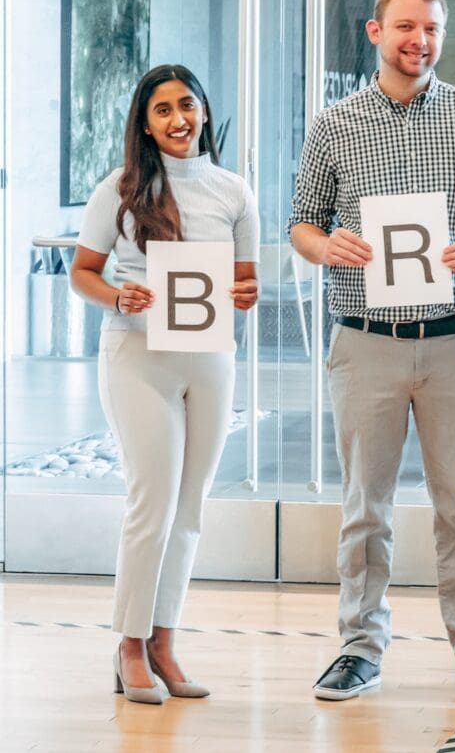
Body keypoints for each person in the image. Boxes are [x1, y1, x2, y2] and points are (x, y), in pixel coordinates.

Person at [290, 0, 455, 703]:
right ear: (375, 32)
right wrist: (325, 247)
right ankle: (360, 646)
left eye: (430, 30)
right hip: (365, 340)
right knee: (366, 506)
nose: (419, 41)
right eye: (405, 28)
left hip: (454, 339)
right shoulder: (334, 125)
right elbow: (301, 221)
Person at [70, 64, 260, 705]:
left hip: (209, 359)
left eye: (188, 105)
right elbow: (83, 274)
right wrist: (119, 296)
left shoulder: (234, 190)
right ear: (144, 124)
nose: (179, 120)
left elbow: (245, 282)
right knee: (150, 505)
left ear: (204, 110)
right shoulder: (119, 190)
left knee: (189, 511)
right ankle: (127, 647)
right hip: (138, 358)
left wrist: (246, 292)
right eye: (162, 111)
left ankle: (163, 642)